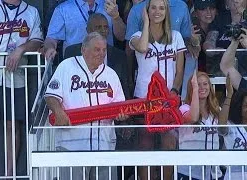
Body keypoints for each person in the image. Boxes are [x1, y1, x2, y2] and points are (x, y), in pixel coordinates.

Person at [45, 32, 127, 180]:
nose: (101, 53)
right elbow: (50, 96)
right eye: (97, 49)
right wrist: (58, 111)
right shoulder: (66, 66)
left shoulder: (111, 74)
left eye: (104, 50)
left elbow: (119, 105)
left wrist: (121, 115)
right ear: (84, 49)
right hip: (72, 146)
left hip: (104, 146)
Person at [0, 0, 43, 176]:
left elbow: (36, 40)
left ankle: (9, 175)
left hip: (15, 76)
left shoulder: (31, 11)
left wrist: (21, 49)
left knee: (12, 127)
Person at [128, 0, 185, 178]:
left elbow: (180, 70)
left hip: (168, 99)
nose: (157, 12)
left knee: (168, 144)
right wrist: (146, 22)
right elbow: (143, 47)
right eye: (153, 8)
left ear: (167, 11)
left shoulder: (176, 36)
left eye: (161, 8)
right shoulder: (137, 36)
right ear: (147, 11)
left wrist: (174, 91)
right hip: (144, 99)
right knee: (145, 145)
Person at [64, 13, 130, 98]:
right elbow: (66, 84)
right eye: (98, 27)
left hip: (109, 105)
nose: (103, 30)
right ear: (88, 30)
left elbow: (125, 88)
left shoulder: (119, 56)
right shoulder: (72, 52)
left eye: (105, 27)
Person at [43, 0, 126, 61]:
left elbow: (122, 37)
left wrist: (116, 16)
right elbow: (51, 39)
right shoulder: (62, 9)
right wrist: (50, 48)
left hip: (105, 62)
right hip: (74, 63)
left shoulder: (109, 5)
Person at [179, 71, 223, 180]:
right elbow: (193, 117)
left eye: (205, 84)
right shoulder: (183, 109)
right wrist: (194, 89)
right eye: (198, 84)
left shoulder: (217, 111)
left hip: (214, 173)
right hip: (189, 172)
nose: (202, 87)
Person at [204, 0, 247, 75]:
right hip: (221, 70)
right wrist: (211, 49)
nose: (235, 1)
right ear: (226, 3)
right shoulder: (220, 18)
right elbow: (209, 41)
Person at [217, 75, 247, 180]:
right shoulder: (232, 127)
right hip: (233, 177)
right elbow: (221, 124)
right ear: (239, 106)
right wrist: (229, 94)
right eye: (246, 106)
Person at [191, 0, 217, 72]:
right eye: (203, 9)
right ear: (195, 13)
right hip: (196, 74)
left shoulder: (220, 28)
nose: (208, 12)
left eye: (212, 8)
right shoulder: (191, 29)